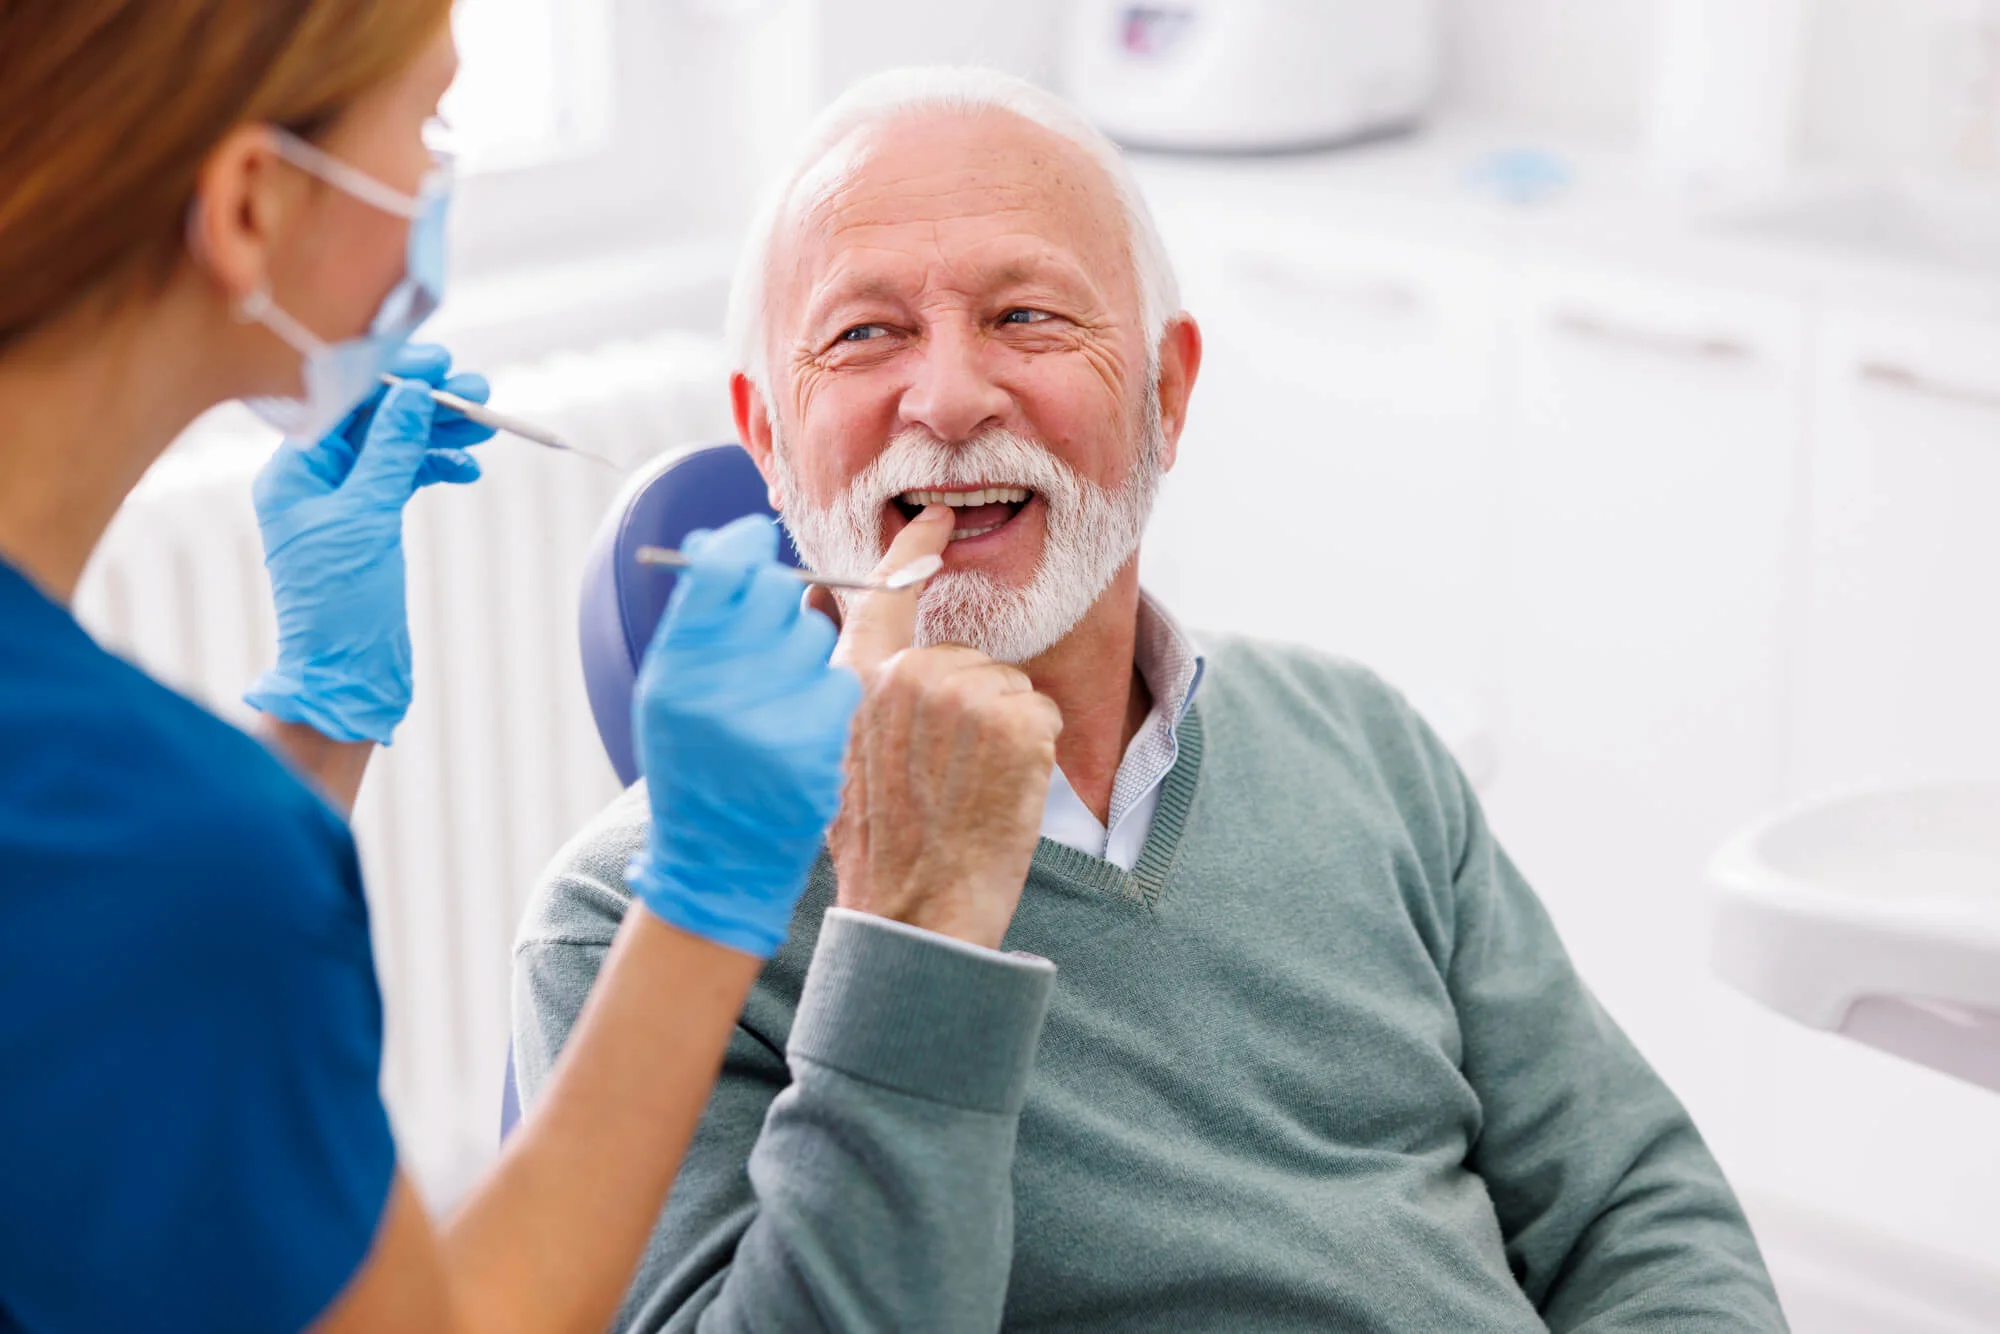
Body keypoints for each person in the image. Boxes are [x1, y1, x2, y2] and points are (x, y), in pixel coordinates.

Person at [514, 67, 1792, 1332]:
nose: (951, 398)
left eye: (1025, 317)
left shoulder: (1364, 743)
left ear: (1166, 395)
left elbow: (1636, 1211)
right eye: (865, 333)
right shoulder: (631, 926)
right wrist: (913, 935)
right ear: (768, 440)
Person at [0, 4, 927, 1330]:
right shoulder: (159, 849)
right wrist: (710, 887)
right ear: (252, 205)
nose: (440, 180)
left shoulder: (111, 835)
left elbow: (96, 1026)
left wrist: (319, 725)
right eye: (428, 124)